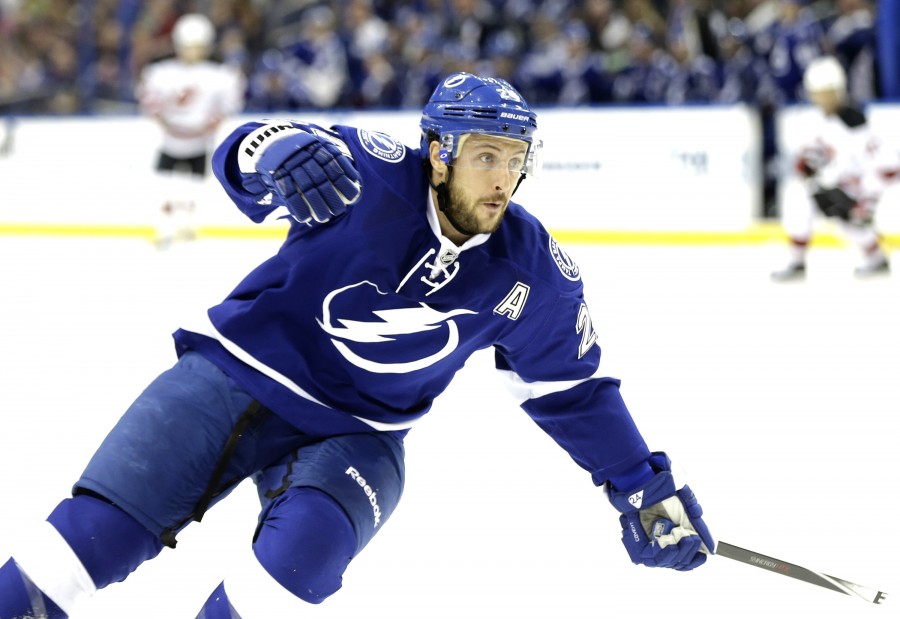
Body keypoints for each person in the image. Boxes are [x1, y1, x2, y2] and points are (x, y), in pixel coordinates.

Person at [0, 73, 714, 618]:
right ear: (438, 155)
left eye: (515, 159)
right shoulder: (366, 172)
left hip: (360, 432)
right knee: (72, 553)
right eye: (485, 155)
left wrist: (646, 490)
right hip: (234, 378)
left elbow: (574, 392)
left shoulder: (533, 272)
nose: (502, 178)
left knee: (294, 567)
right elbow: (240, 154)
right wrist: (270, 148)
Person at [772, 55, 899, 280]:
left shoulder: (852, 122)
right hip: (848, 188)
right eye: (818, 92)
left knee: (810, 200)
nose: (822, 98)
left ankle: (798, 260)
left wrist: (867, 200)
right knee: (811, 200)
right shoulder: (825, 120)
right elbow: (818, 156)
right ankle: (874, 258)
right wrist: (809, 165)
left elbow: (883, 166)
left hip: (860, 190)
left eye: (826, 91)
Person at [136, 13, 246, 248]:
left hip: (198, 141)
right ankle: (165, 226)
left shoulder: (221, 75)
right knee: (166, 186)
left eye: (196, 47)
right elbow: (149, 101)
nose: (192, 52)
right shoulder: (161, 72)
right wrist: (165, 122)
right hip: (171, 140)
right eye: (188, 46)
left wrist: (208, 125)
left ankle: (187, 226)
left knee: (195, 187)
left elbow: (230, 105)